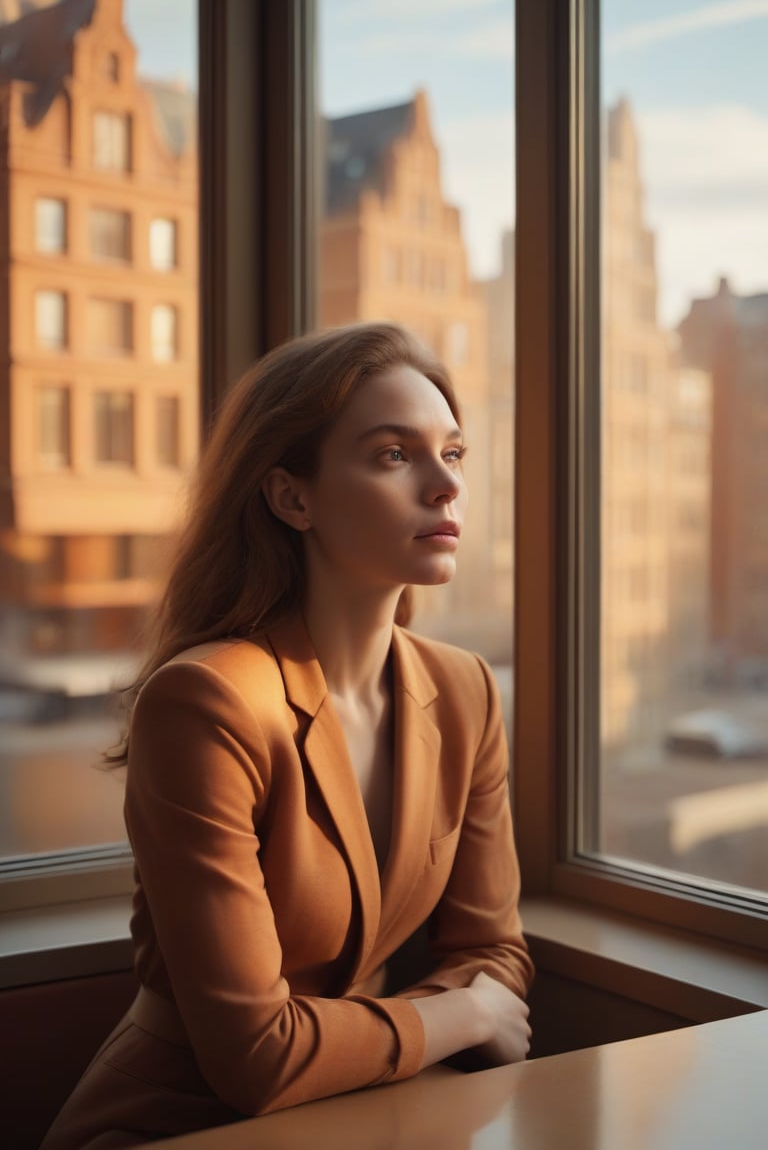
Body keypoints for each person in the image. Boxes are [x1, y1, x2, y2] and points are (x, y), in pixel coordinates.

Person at [41, 322, 534, 1149]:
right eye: (393, 454)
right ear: (290, 497)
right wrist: (465, 1013)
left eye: (453, 454)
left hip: (373, 1115)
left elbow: (495, 954)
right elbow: (255, 1059)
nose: (445, 486)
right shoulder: (206, 701)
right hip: (179, 1126)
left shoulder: (465, 690)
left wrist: (453, 1007)